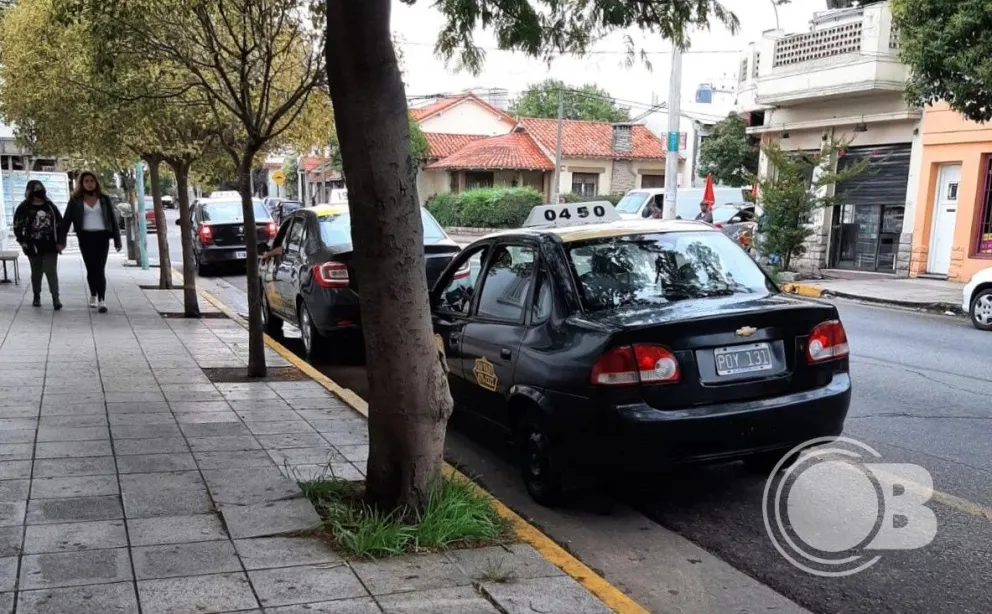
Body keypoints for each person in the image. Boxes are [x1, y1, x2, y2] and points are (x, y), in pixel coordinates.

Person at [60, 172, 122, 313]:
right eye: (86, 181)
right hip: (85, 237)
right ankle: (93, 294)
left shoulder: (104, 198)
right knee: (91, 268)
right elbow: (66, 220)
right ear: (82, 184)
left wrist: (117, 240)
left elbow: (112, 219)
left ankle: (102, 300)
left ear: (96, 182)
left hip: (102, 236)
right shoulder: (75, 200)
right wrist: (61, 240)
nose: (89, 184)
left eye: (92, 181)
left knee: (100, 269)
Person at [13, 180, 63, 310]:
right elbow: (17, 226)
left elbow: (60, 223)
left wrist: (60, 241)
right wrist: (23, 242)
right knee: (36, 272)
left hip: (50, 245)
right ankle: (36, 295)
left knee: (51, 271)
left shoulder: (50, 206)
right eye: (35, 189)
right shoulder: (24, 207)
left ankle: (56, 298)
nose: (38, 192)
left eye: (40, 189)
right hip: (32, 246)